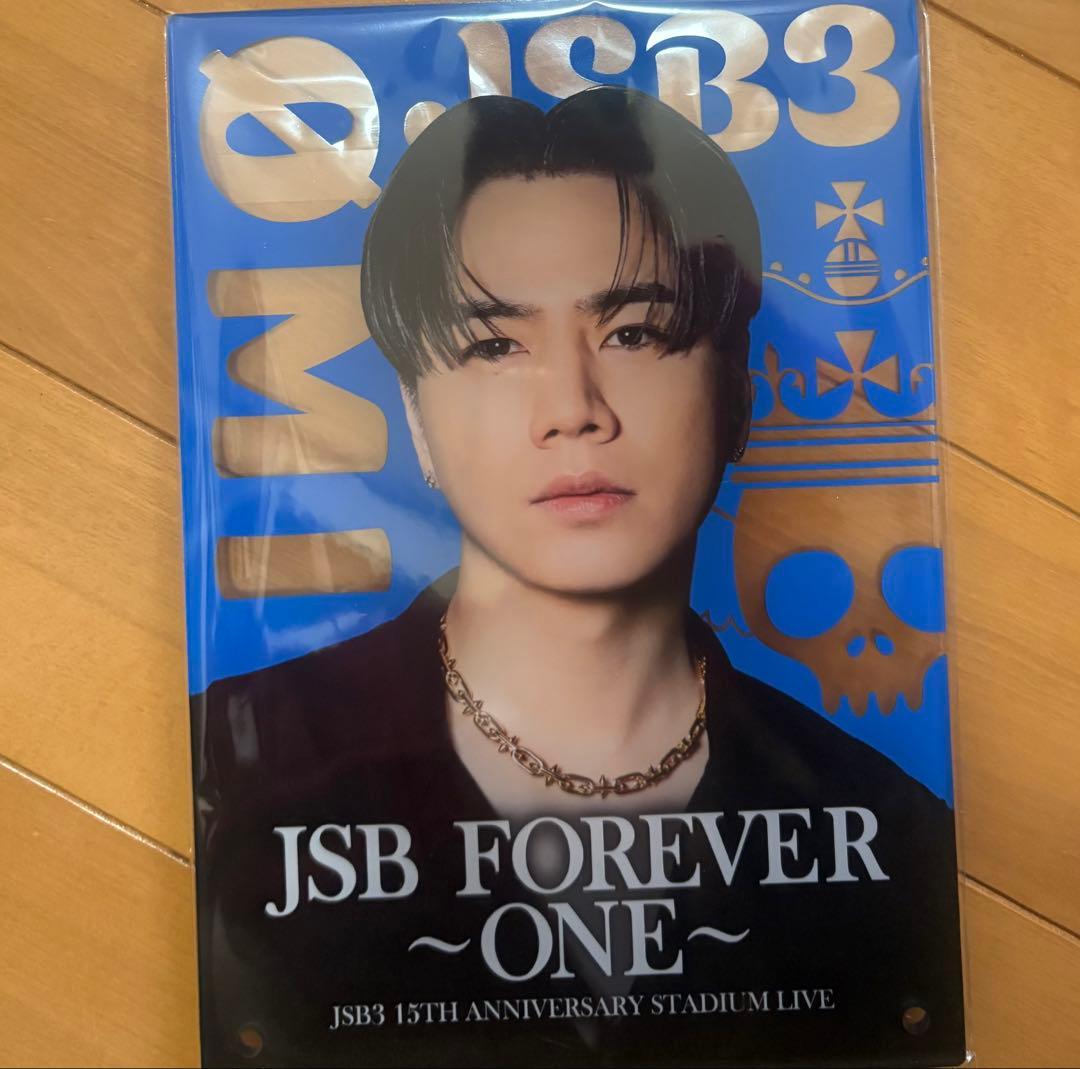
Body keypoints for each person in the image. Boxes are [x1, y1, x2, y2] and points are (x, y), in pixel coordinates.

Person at [191, 88, 964, 1067]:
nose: (572, 407)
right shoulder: (234, 769)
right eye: (494, 345)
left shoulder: (889, 837)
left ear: (736, 388)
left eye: (634, 332)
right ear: (416, 419)